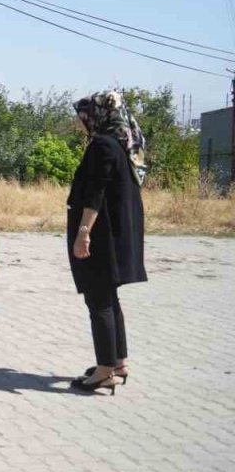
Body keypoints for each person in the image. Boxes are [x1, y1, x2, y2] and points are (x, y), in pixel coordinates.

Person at [67, 91, 146, 395]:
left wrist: (83, 232)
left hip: (101, 238)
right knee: (109, 299)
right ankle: (118, 363)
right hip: (114, 236)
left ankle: (104, 371)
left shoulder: (101, 146)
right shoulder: (120, 145)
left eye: (82, 115)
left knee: (98, 300)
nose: (79, 121)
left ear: (97, 115)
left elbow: (95, 193)